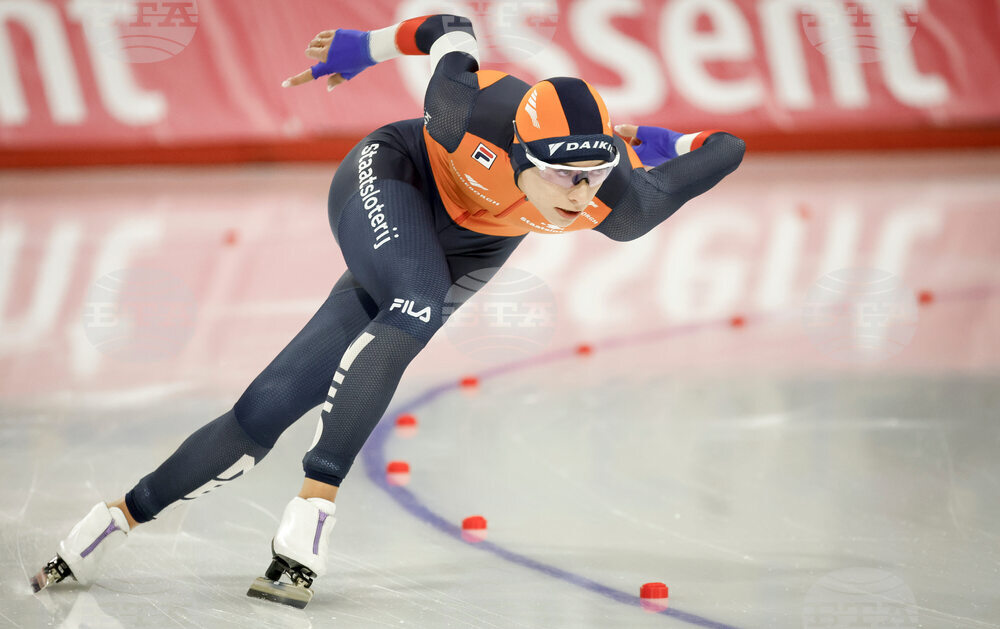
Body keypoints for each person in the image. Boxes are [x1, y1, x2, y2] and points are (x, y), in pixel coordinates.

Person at [30, 14, 745, 607]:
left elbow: (729, 146)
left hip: (471, 249)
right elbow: (450, 25)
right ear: (520, 148)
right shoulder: (464, 110)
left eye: (592, 173)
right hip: (396, 176)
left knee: (270, 404)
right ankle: (314, 506)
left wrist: (669, 142)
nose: (578, 191)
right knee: (414, 300)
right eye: (562, 172)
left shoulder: (619, 205)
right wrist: (362, 48)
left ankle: (111, 520)